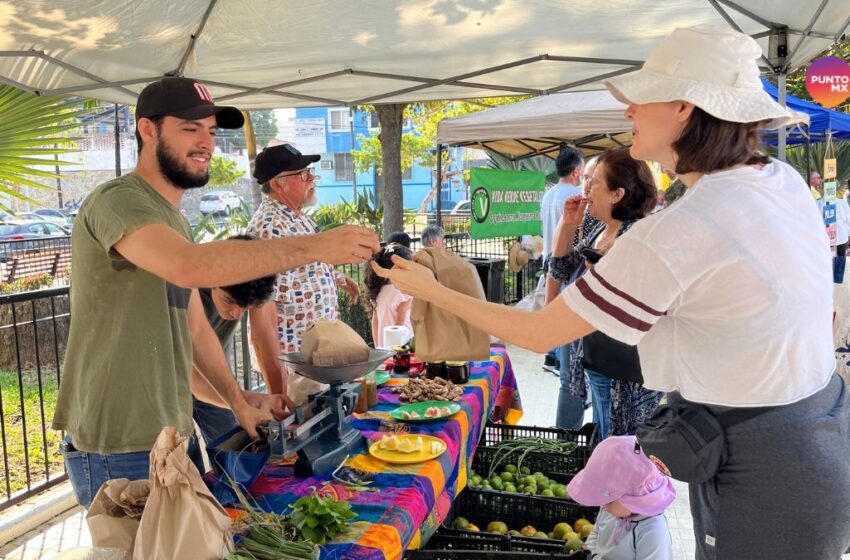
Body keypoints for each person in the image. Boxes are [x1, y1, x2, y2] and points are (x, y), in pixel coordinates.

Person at [373, 26, 850, 559]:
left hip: (764, 460)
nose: (629, 113)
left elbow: (538, 333)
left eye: (641, 100)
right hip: (818, 427)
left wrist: (430, 290)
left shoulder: (683, 227)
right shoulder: (776, 178)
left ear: (684, 109)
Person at [53, 77, 379, 508]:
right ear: (148, 130)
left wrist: (240, 402)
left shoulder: (174, 220)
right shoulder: (117, 200)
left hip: (171, 434)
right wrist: (318, 247)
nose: (206, 141)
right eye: (190, 129)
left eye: (210, 130)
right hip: (120, 444)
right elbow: (190, 266)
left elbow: (195, 332)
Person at [548, 149, 660, 438]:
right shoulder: (598, 227)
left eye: (594, 182)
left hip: (624, 368)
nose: (586, 188)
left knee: (619, 444)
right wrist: (568, 224)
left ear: (617, 194)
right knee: (604, 434)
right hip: (596, 355)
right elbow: (560, 270)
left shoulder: (635, 235)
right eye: (586, 179)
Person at [247, 143, 362, 406]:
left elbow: (307, 265)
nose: (312, 179)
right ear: (277, 185)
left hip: (318, 364)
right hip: (297, 374)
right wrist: (280, 394)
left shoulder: (298, 217)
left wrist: (339, 279)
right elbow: (262, 326)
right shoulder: (268, 230)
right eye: (303, 175)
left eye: (310, 172)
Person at [193, 234, 285, 446]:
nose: (235, 313)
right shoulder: (189, 294)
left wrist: (275, 398)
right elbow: (193, 380)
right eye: (229, 301)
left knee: (237, 449)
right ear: (212, 278)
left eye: (244, 307)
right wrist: (248, 400)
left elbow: (264, 339)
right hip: (171, 389)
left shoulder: (249, 283)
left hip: (217, 383)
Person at [567, 435, 675, 560]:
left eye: (608, 498)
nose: (603, 505)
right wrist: (588, 550)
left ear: (632, 499)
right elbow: (598, 531)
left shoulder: (653, 534)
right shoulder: (611, 509)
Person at [541, 147, 585, 374]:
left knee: (551, 309)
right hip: (565, 259)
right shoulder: (576, 196)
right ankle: (560, 360)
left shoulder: (548, 194)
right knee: (563, 312)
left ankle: (551, 355)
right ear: (577, 171)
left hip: (548, 257)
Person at [364, 243, 415, 348]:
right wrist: (396, 347)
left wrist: (378, 346)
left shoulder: (379, 292)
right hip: (402, 344)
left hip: (385, 346)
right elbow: (398, 325)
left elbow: (375, 322)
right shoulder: (404, 293)